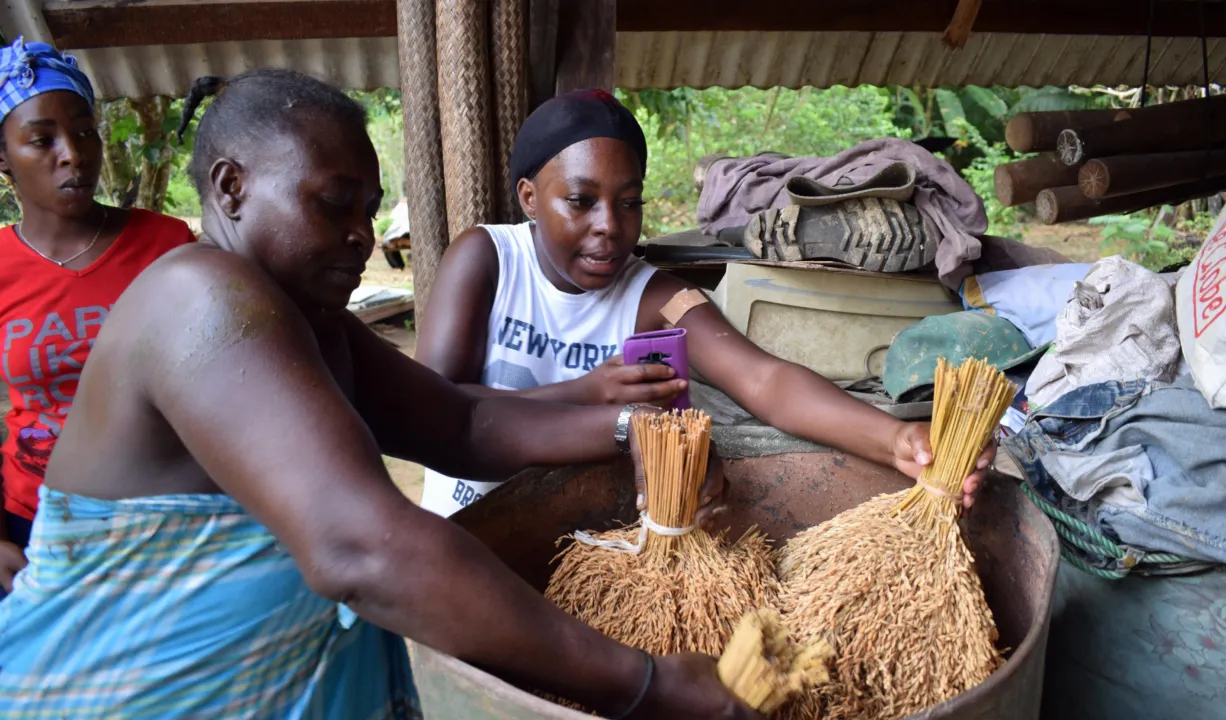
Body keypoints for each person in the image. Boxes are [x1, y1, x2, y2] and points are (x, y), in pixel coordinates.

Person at [0, 69, 757, 720]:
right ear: (232, 188)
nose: (364, 234)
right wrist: (647, 681)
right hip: (117, 694)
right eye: (335, 203)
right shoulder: (201, 296)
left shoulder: (305, 319)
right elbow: (358, 547)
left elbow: (462, 419)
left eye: (369, 208)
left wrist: (632, 429)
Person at [415, 89, 993, 517]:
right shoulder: (486, 259)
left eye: (629, 202)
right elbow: (435, 407)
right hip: (467, 521)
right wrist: (585, 395)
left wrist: (897, 441)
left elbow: (765, 382)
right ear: (529, 197)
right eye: (580, 201)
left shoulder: (656, 297)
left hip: (579, 538)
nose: (609, 228)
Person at [0, 37, 196, 595]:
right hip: (34, 528)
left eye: (85, 131)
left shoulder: (165, 244)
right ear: (2, 156)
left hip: (164, 524)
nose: (74, 153)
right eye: (43, 140)